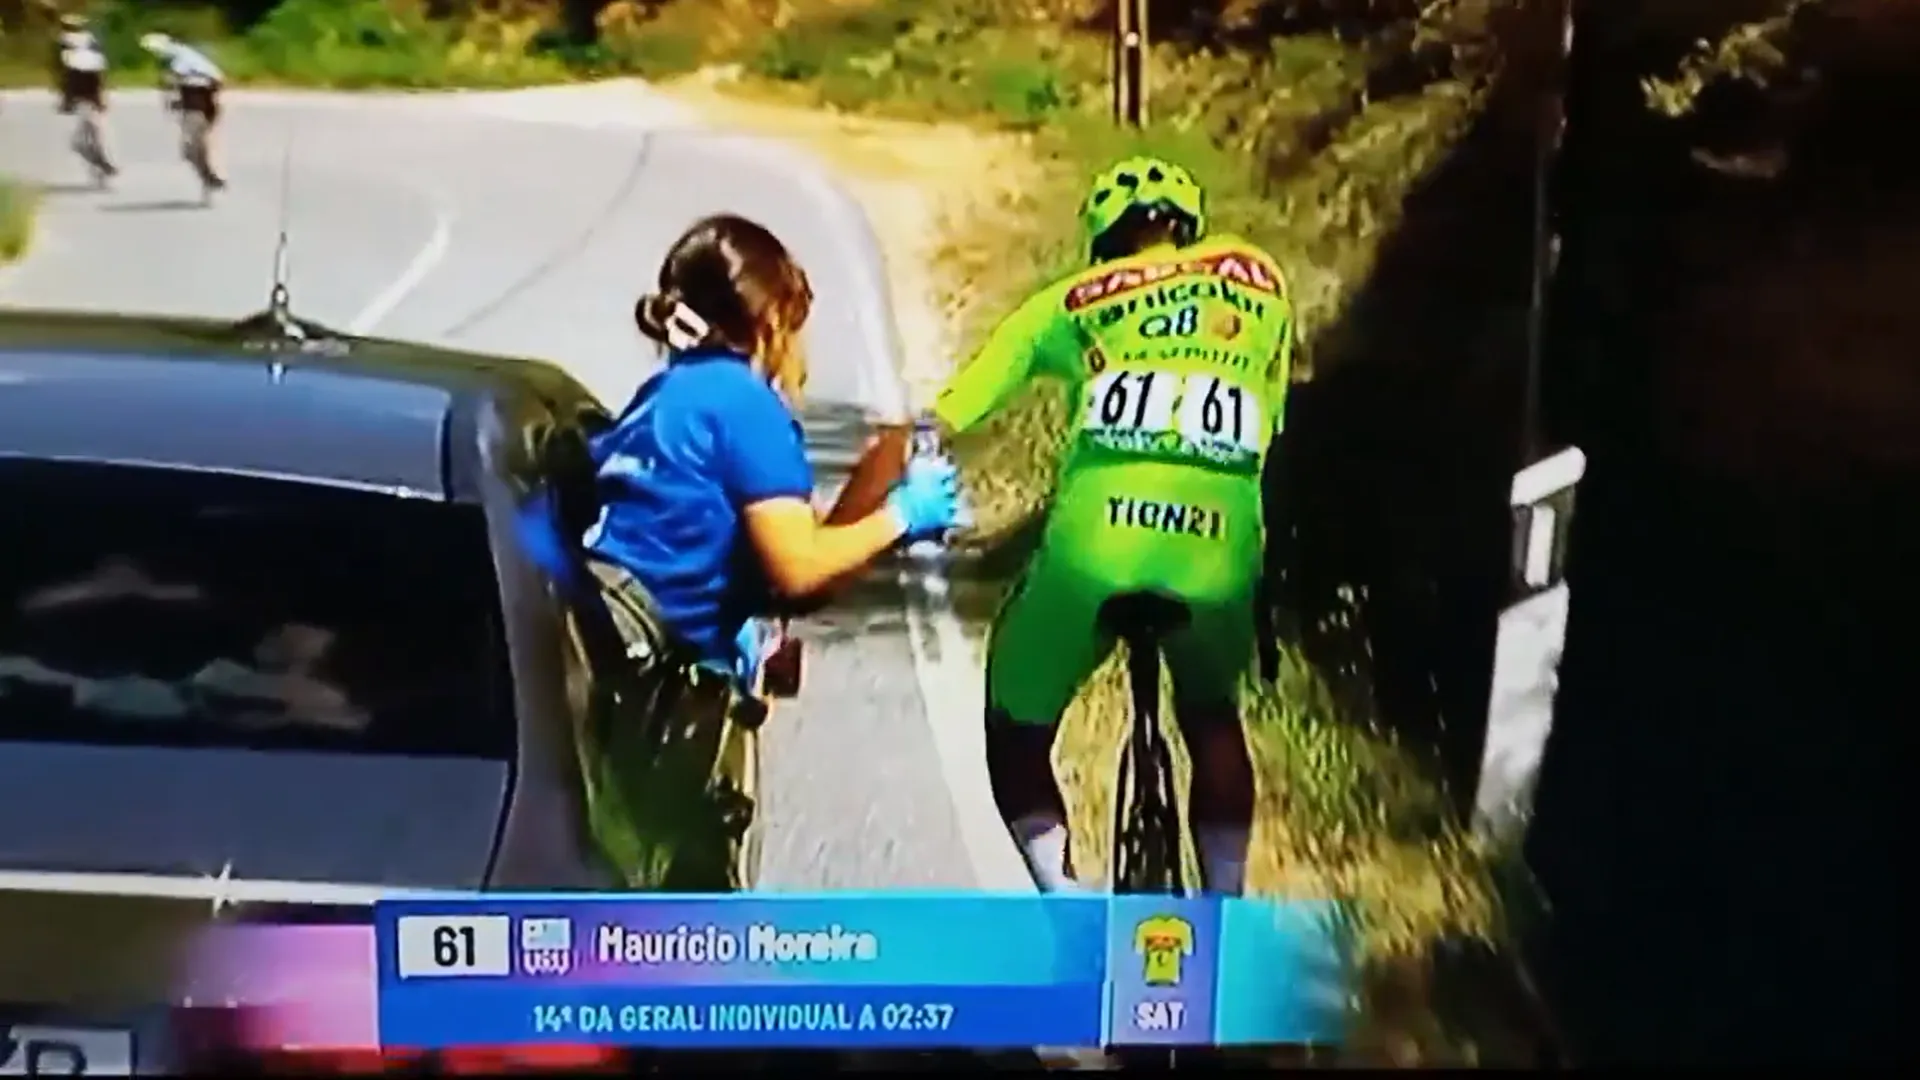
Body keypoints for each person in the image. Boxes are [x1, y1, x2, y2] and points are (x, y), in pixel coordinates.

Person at [929, 156, 1298, 895]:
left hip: (1093, 546)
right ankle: (1223, 909)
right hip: (1218, 549)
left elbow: (950, 412)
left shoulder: (1067, 302)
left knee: (1014, 720)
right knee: (1212, 714)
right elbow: (1273, 426)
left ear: (1102, 237)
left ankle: (1062, 901)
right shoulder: (1261, 280)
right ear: (1188, 225)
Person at [581, 212, 965, 673]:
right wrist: (905, 514)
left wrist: (870, 484)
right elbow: (798, 572)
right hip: (656, 669)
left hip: (609, 626)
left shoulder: (662, 395)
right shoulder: (746, 405)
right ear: (771, 320)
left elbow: (792, 554)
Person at [138, 31, 226, 189]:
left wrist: (170, 97)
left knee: (189, 147)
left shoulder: (180, 59)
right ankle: (210, 173)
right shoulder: (193, 59)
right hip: (205, 105)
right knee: (202, 142)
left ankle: (209, 175)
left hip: (196, 108)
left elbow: (171, 81)